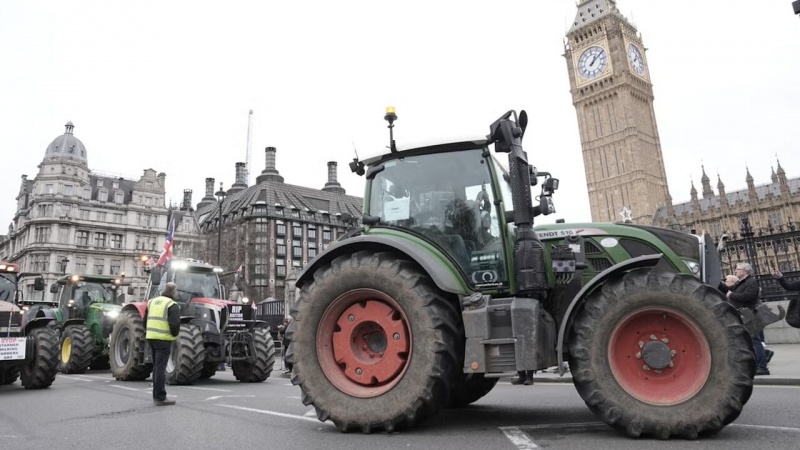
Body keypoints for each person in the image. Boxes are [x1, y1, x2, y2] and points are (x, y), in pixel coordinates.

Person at [719, 263, 769, 375]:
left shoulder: (751, 282)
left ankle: (762, 367)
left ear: (745, 271)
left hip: (749, 315)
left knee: (755, 341)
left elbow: (747, 296)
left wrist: (731, 295)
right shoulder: (742, 283)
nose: (736, 271)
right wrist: (718, 283)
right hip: (742, 314)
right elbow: (729, 290)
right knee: (749, 341)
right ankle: (755, 364)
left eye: (738, 269)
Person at [145, 281, 180, 406]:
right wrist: (174, 335)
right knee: (160, 368)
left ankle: (156, 396)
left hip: (151, 337)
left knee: (156, 368)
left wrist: (149, 332)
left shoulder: (152, 302)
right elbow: (175, 324)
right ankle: (160, 397)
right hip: (163, 339)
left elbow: (145, 320)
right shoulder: (172, 304)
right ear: (174, 291)